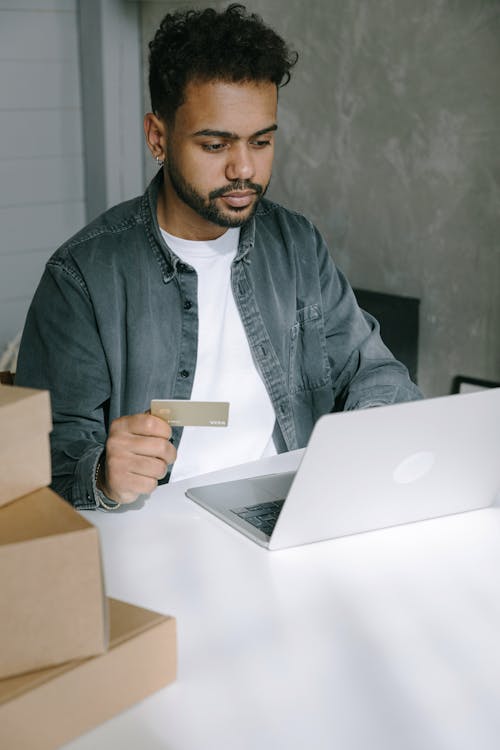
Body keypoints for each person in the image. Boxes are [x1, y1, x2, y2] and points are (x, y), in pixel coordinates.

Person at [15, 4, 421, 511]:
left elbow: (375, 371)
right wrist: (100, 473)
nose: (244, 168)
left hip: (291, 508)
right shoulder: (83, 276)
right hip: (154, 526)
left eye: (262, 141)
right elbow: (40, 460)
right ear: (158, 137)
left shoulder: (296, 243)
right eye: (215, 144)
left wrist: (366, 430)